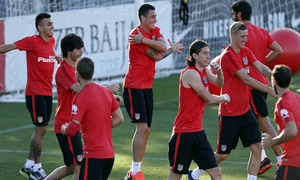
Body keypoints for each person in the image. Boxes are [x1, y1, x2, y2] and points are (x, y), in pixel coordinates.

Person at [188, 22, 277, 180]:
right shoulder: (227, 56)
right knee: (223, 155)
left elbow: (260, 67)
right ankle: (195, 173)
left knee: (257, 148)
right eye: (242, 36)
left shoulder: (246, 51)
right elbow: (246, 79)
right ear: (232, 36)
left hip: (245, 111)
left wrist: (275, 76)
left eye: (246, 36)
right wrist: (270, 89)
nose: (245, 39)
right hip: (229, 114)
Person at [46, 33, 121, 180]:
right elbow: (82, 91)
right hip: (66, 124)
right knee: (79, 167)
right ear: (69, 51)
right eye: (78, 49)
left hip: (76, 123)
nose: (81, 52)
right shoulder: (63, 70)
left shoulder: (75, 68)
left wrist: (107, 95)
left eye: (82, 48)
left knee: (71, 167)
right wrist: (106, 91)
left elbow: (89, 92)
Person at [123, 3, 184, 180]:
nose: (155, 20)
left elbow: (162, 48)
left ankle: (135, 170)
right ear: (142, 18)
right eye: (152, 17)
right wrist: (147, 41)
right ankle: (134, 172)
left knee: (147, 130)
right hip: (134, 87)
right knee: (142, 128)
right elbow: (159, 53)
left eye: (156, 17)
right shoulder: (135, 35)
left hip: (147, 87)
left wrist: (147, 41)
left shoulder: (151, 32)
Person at [0, 13, 61, 180]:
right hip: (35, 93)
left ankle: (28, 165)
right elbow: (8, 47)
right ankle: (37, 168)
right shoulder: (31, 41)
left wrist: (57, 58)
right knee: (40, 129)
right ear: (40, 28)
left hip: (48, 92)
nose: (52, 27)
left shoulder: (52, 42)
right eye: (49, 24)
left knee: (41, 131)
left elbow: (49, 55)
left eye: (52, 23)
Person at [231, 0, 283, 175]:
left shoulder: (239, 33)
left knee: (264, 124)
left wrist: (257, 64)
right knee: (251, 124)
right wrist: (261, 63)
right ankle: (261, 159)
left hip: (252, 86)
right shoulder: (261, 31)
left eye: (233, 14)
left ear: (239, 15)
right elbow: (278, 50)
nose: (232, 18)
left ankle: (283, 161)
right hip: (260, 83)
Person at [168, 40, 230, 180]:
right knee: (176, 174)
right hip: (183, 133)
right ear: (195, 55)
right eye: (205, 53)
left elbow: (219, 83)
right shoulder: (190, 74)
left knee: (216, 172)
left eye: (208, 53)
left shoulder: (204, 71)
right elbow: (209, 99)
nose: (209, 56)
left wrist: (219, 73)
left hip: (198, 132)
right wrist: (224, 97)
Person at [61, 57, 124, 180]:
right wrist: (100, 123)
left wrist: (63, 128)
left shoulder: (81, 97)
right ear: (92, 73)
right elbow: (119, 118)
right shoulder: (106, 92)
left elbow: (72, 130)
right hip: (109, 156)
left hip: (93, 156)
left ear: (77, 74)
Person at [262, 65, 300, 180]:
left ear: (273, 81)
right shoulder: (297, 98)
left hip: (292, 162)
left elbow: (292, 130)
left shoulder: (282, 103)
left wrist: (272, 142)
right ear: (290, 80)